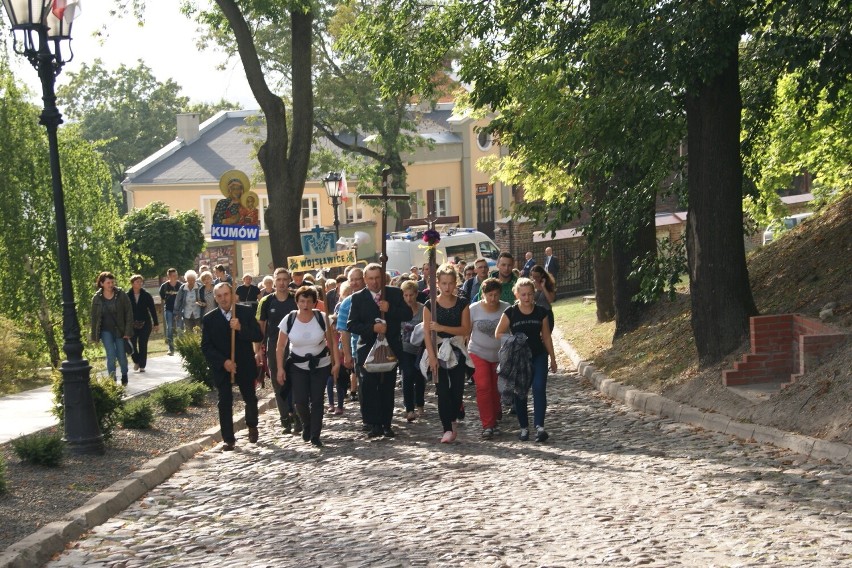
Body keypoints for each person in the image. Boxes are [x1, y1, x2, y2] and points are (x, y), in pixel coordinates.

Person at [347, 263, 412, 438]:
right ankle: (373, 423)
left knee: (387, 386)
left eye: (377, 278)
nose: (374, 282)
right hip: (367, 349)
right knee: (368, 386)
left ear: (382, 278)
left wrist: (390, 309)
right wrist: (372, 328)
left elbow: (408, 314)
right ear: (365, 280)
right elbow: (352, 324)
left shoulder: (394, 293)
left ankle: (386, 423)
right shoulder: (358, 298)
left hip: (390, 348)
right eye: (371, 278)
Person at [201, 282, 263, 452]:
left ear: (232, 294)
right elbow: (206, 346)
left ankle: (252, 425)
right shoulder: (209, 319)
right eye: (219, 296)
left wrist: (240, 328)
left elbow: (258, 335)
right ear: (215, 298)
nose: (223, 299)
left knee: (250, 398)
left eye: (226, 294)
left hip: (244, 363)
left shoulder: (245, 312)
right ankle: (228, 438)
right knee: (224, 402)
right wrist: (224, 362)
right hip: (223, 367)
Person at [276, 286, 340, 448]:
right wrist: (280, 368)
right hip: (297, 365)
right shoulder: (289, 320)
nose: (305, 305)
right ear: (297, 302)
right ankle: (307, 423)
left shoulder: (322, 318)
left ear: (314, 302)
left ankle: (315, 434)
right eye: (302, 301)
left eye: (309, 301)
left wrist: (336, 362)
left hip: (320, 364)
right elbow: (281, 346)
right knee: (300, 401)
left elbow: (332, 342)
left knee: (317, 399)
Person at [495, 278, 558, 443]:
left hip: (538, 355)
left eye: (530, 294)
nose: (527, 298)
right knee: (520, 392)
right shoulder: (511, 313)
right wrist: (514, 339)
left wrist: (552, 357)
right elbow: (498, 333)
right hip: (519, 358)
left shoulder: (541, 312)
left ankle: (539, 427)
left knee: (538, 388)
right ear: (517, 294)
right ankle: (524, 427)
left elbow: (546, 336)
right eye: (523, 294)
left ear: (534, 294)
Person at [423, 263, 472, 443]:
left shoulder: (462, 304)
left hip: (457, 349)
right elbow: (427, 333)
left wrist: (442, 327)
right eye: (443, 283)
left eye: (451, 283)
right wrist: (432, 357)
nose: (447, 287)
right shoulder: (430, 305)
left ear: (455, 283)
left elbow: (465, 329)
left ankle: (454, 415)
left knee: (457, 389)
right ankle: (447, 428)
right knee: (442, 390)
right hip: (438, 350)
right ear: (438, 283)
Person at [256, 268, 298, 434]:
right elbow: (260, 328)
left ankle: (297, 415)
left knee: (296, 381)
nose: (281, 283)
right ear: (274, 281)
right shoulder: (266, 301)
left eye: (284, 279)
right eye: (278, 279)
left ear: (289, 281)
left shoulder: (296, 298)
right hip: (274, 346)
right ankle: (284, 418)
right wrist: (258, 350)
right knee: (278, 381)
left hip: (296, 346)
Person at [468, 278, 509, 438]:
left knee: (496, 387)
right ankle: (488, 424)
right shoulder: (474, 309)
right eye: (490, 295)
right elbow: (466, 331)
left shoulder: (506, 308)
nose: (493, 299)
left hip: (499, 354)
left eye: (496, 295)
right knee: (483, 386)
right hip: (477, 352)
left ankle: (496, 411)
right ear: (483, 294)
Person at [90, 271, 134, 385]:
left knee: (121, 355)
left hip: (120, 330)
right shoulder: (96, 298)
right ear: (101, 283)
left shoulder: (121, 295)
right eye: (108, 283)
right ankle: (112, 380)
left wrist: (128, 331)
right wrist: (94, 336)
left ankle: (124, 374)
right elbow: (94, 318)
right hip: (105, 331)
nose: (111, 285)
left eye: (112, 282)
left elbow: (129, 312)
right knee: (111, 355)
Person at [336, 268, 366, 409]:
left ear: (364, 279)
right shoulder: (346, 303)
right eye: (351, 280)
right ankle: (368, 416)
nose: (354, 282)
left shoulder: (376, 297)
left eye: (357, 279)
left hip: (378, 346)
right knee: (363, 383)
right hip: (357, 349)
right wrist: (347, 354)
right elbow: (343, 330)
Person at [399, 279, 426, 422]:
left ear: (416, 294)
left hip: (420, 349)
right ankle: (409, 408)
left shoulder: (423, 309)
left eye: (411, 295)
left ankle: (420, 403)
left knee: (419, 376)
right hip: (404, 349)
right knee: (407, 375)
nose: (409, 298)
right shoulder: (400, 309)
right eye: (406, 295)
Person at [128, 275, 159, 373]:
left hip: (145, 323)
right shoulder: (127, 295)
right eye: (137, 282)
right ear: (132, 283)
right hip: (131, 324)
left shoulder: (146, 295)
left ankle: (142, 365)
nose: (139, 284)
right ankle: (136, 360)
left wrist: (156, 323)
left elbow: (152, 310)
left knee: (142, 344)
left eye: (141, 282)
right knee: (132, 344)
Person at [158, 268, 181, 355]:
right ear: (169, 276)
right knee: (170, 328)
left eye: (176, 275)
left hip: (178, 310)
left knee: (180, 328)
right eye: (173, 275)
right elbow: (162, 297)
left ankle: (181, 347)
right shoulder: (164, 286)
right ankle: (171, 348)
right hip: (168, 309)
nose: (175, 276)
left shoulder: (180, 285)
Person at [530, 265, 556, 331]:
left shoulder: (548, 284)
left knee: (547, 337)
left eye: (537, 277)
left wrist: (543, 287)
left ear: (542, 275)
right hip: (535, 314)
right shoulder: (530, 285)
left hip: (547, 313)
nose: (535, 279)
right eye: (533, 276)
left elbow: (550, 300)